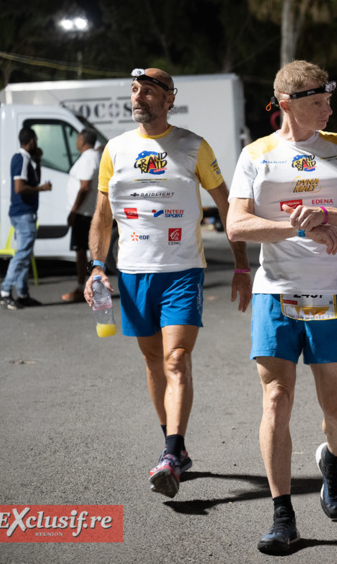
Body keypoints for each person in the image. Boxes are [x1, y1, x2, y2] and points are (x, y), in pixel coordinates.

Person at [225, 60, 337, 555]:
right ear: (288, 103)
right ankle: (282, 514)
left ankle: (332, 459)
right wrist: (298, 226)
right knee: (276, 400)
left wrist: (327, 214)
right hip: (276, 293)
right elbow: (235, 226)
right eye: (319, 101)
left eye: (329, 100)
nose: (329, 109)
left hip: (331, 295)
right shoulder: (257, 154)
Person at [85, 68, 252, 500]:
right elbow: (103, 216)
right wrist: (96, 266)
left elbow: (228, 207)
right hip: (134, 272)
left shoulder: (193, 146)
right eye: (135, 90)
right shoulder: (116, 150)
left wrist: (240, 266)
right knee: (153, 360)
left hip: (181, 271)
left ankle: (172, 453)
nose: (138, 97)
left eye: (149, 91)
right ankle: (172, 443)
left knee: (176, 358)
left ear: (169, 98)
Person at [0, 127, 51, 309]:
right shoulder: (20, 158)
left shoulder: (27, 159)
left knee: (25, 254)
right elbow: (19, 188)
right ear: (32, 141)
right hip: (23, 213)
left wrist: (38, 162)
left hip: (23, 213)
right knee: (22, 255)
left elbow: (33, 181)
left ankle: (22, 294)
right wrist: (41, 189)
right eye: (35, 141)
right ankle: (5, 292)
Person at [61, 128, 101, 303]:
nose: (76, 141)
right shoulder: (95, 156)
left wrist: (74, 210)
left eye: (78, 138)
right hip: (89, 212)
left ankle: (81, 288)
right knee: (92, 252)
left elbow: (85, 187)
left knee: (81, 252)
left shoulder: (88, 158)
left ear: (83, 141)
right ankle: (94, 287)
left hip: (84, 213)